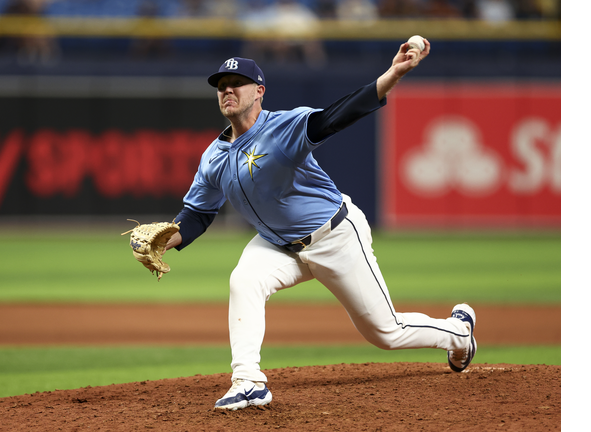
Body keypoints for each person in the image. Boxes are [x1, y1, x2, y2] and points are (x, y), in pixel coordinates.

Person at [162, 39, 477, 411]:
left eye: (237, 82)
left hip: (335, 236)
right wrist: (164, 240)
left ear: (259, 91)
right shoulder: (213, 157)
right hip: (277, 245)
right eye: (221, 85)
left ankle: (459, 333)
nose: (227, 89)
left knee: (385, 333)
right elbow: (198, 214)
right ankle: (248, 381)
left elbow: (335, 116)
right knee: (244, 280)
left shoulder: (282, 128)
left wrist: (392, 75)